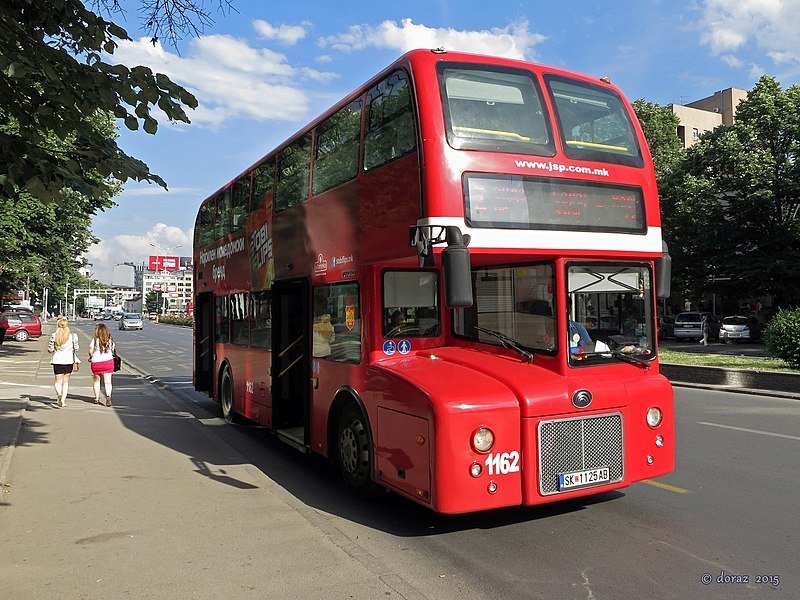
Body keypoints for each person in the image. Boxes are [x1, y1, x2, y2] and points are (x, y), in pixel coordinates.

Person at [47, 317, 79, 407]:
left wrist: (54, 349)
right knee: (66, 382)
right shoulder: (73, 336)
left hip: (57, 360)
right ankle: (63, 401)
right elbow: (76, 348)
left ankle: (59, 395)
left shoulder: (54, 335)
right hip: (69, 361)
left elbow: (50, 349)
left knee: (58, 381)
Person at [88, 323, 116, 406]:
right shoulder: (110, 341)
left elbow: (90, 351)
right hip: (108, 362)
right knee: (108, 382)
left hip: (96, 362)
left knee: (96, 381)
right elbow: (113, 350)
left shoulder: (94, 340)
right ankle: (108, 396)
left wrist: (91, 356)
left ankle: (96, 398)